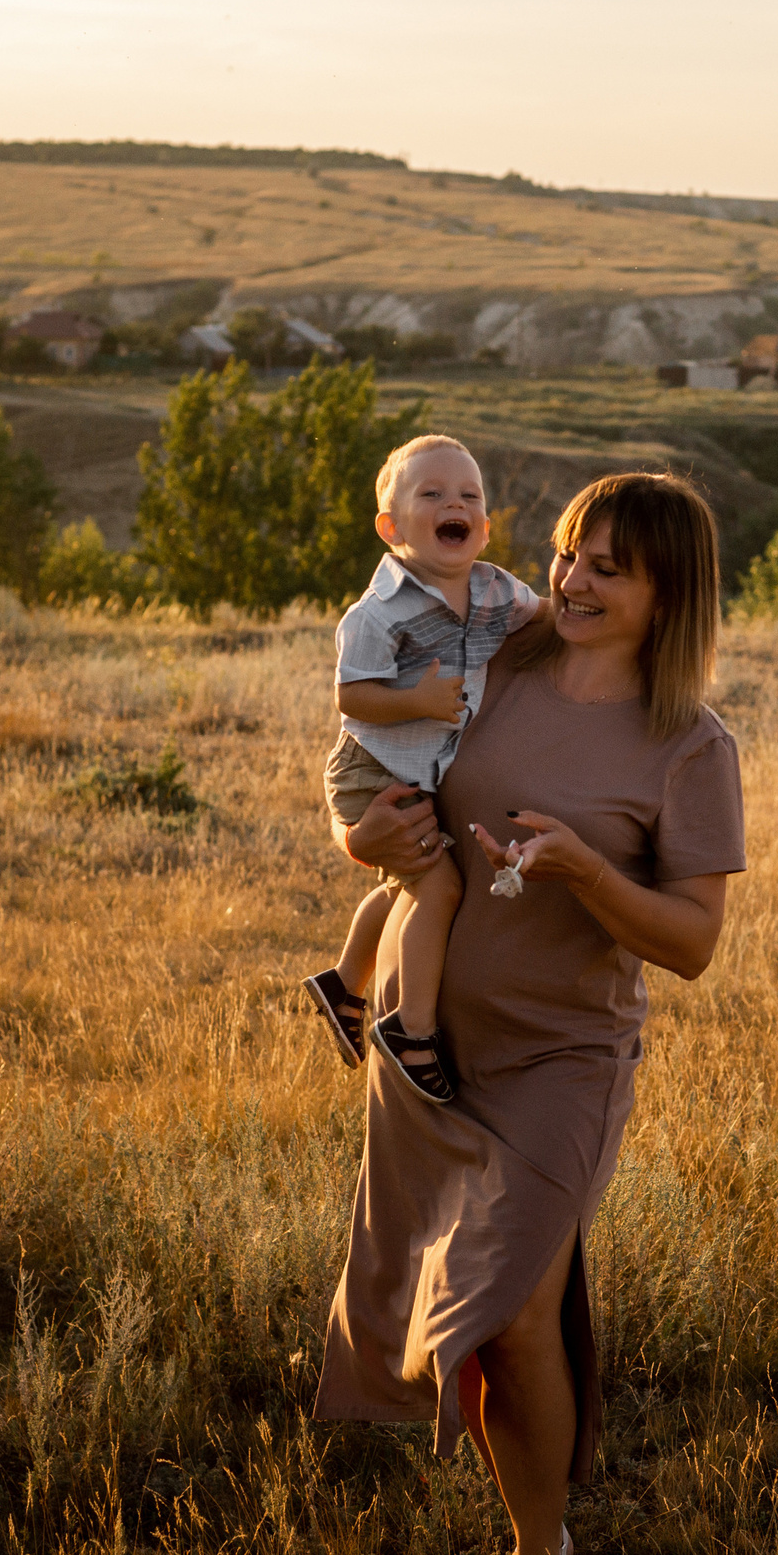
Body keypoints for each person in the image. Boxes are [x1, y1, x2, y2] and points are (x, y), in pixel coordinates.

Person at [314, 472, 746, 1555]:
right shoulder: (491, 665)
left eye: (610, 565)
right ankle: (536, 1536)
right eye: (568, 553)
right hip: (429, 1044)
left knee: (507, 1309)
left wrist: (588, 876)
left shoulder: (688, 747)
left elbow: (695, 945)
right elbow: (375, 775)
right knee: (484, 1319)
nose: (574, 580)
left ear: (670, 593)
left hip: (563, 1057)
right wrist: (362, 841)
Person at [301, 435, 543, 1100]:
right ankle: (412, 1030)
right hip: (371, 770)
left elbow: (548, 621)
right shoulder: (379, 611)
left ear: (485, 528)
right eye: (431, 494)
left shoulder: (495, 590)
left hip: (417, 773)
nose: (453, 504)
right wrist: (414, 701)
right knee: (437, 889)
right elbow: (350, 695)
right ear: (392, 526)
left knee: (413, 879)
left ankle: (344, 980)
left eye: (468, 496)